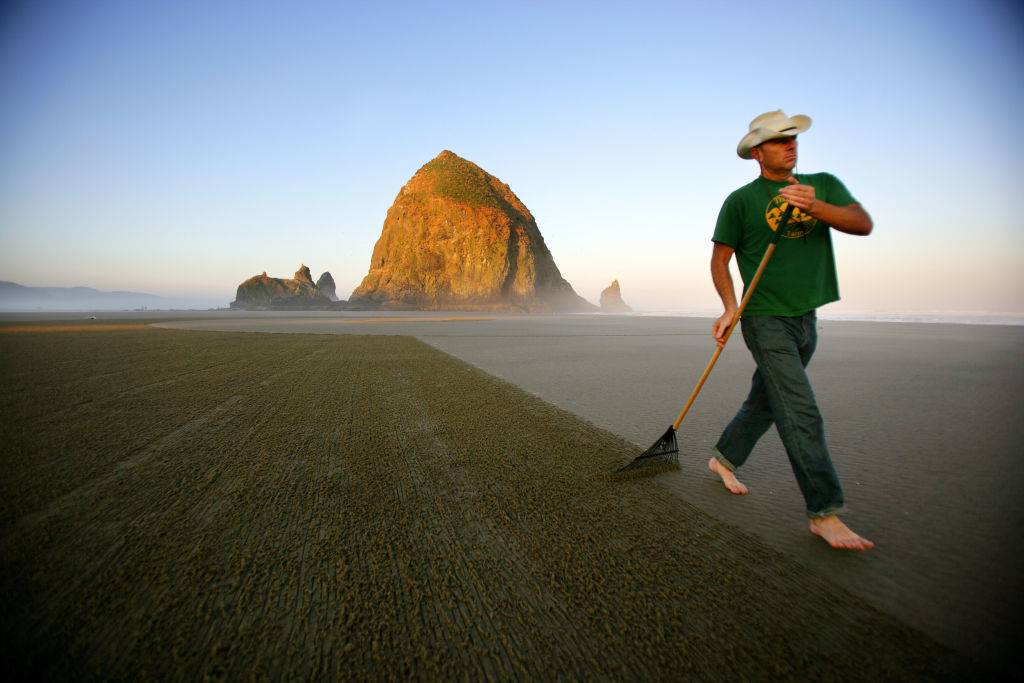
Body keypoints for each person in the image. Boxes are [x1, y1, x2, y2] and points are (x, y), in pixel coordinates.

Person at [708, 110, 875, 551]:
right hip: (763, 319)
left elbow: (863, 224)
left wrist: (814, 206)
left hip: (806, 317)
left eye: (793, 138)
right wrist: (729, 308)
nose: (791, 145)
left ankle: (723, 459)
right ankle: (824, 513)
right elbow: (719, 260)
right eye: (780, 141)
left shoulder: (822, 185)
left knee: (767, 399)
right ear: (758, 152)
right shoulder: (740, 201)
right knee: (800, 410)